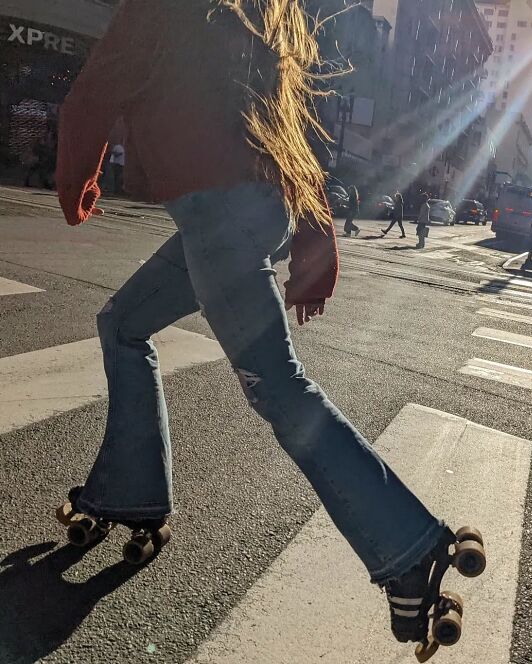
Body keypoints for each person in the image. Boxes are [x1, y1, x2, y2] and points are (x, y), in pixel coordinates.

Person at [54, 0, 459, 648]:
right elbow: (289, 132)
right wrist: (314, 243)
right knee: (122, 324)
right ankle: (132, 494)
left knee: (278, 385)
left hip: (215, 213)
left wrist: (76, 181)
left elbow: (97, 87)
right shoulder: (260, 14)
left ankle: (411, 550)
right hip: (249, 209)